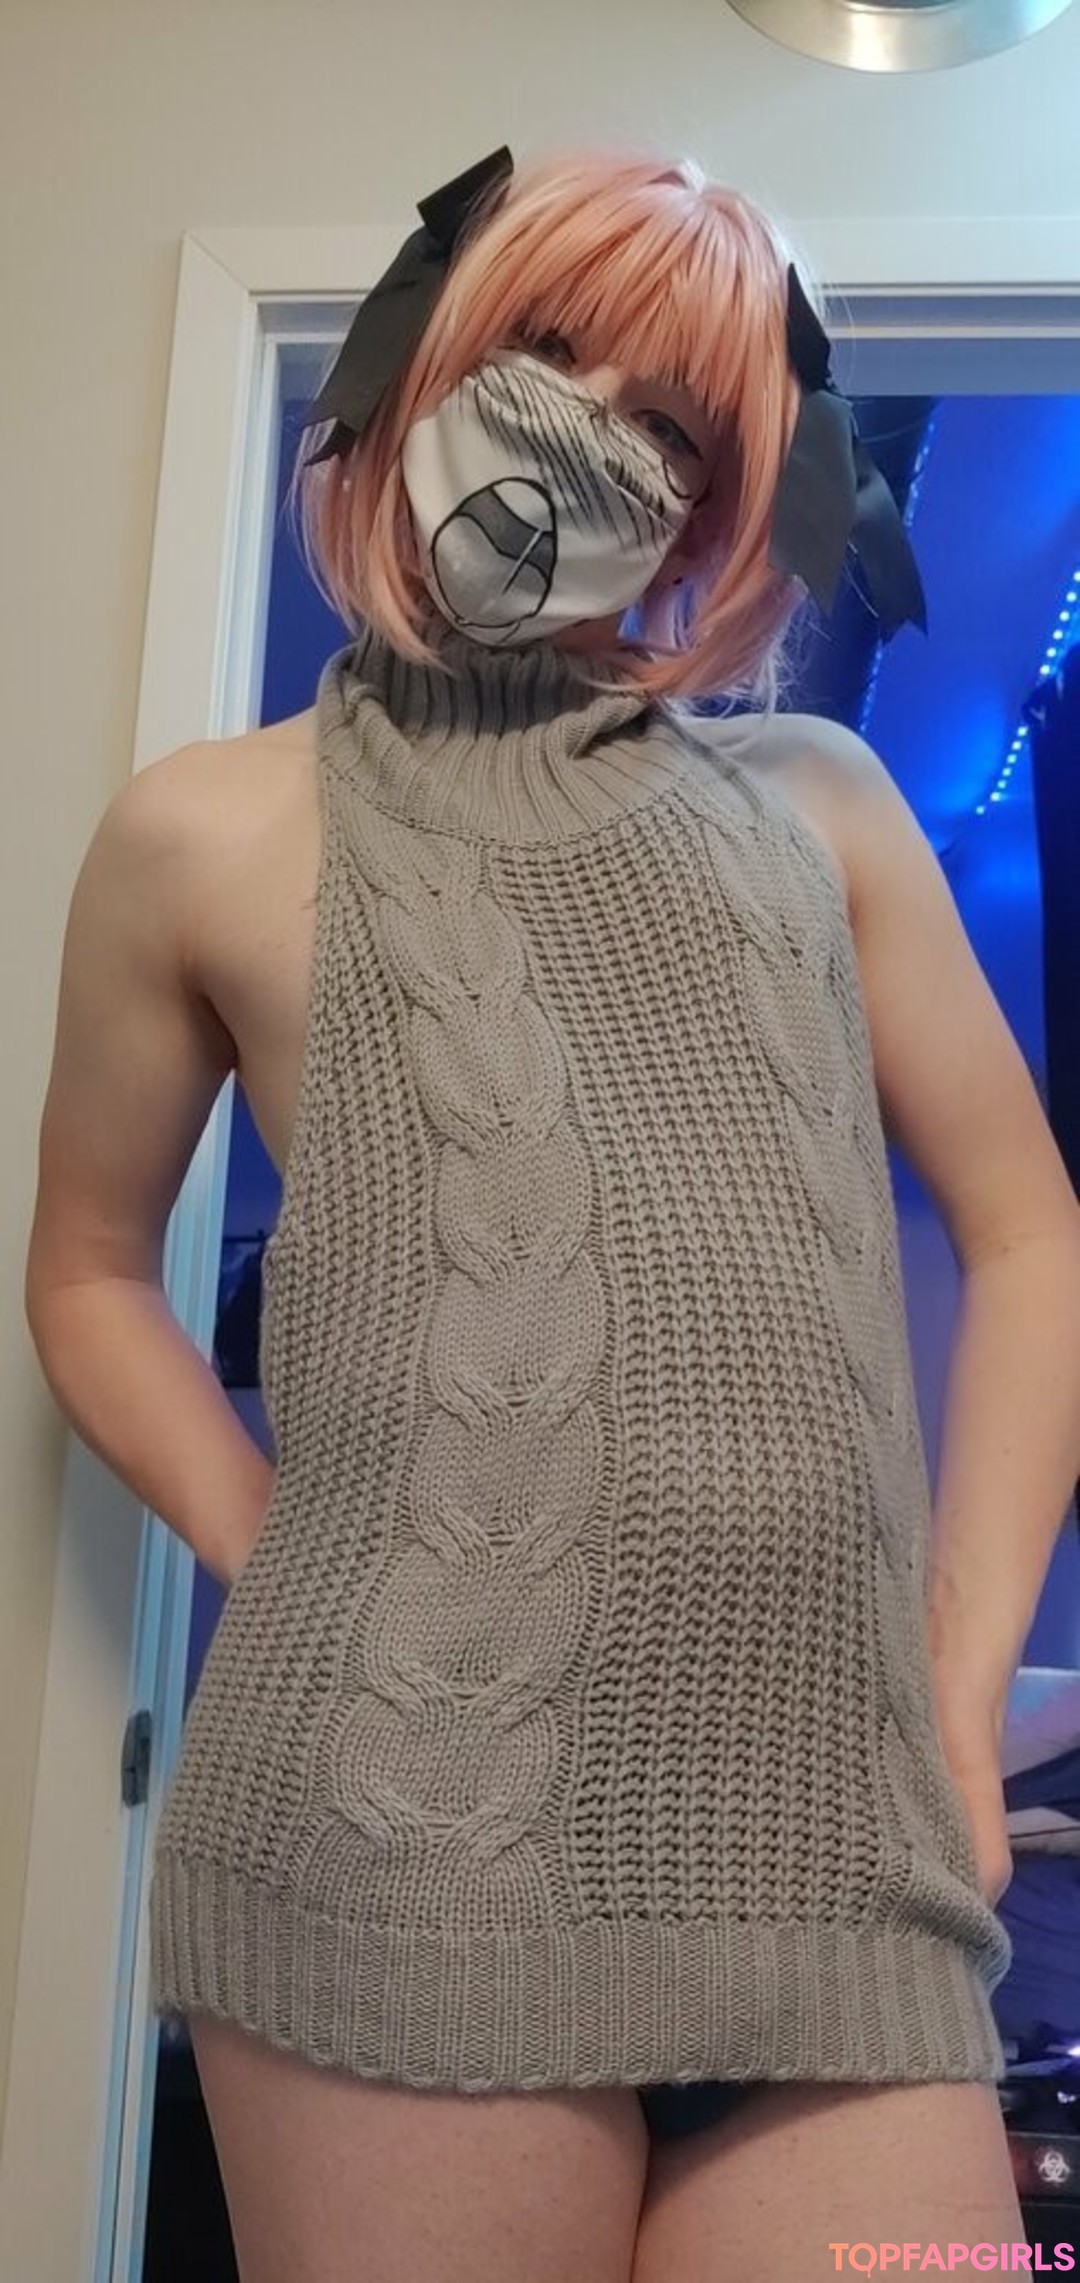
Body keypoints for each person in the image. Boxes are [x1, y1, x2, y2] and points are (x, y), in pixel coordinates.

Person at [26, 144, 1080, 2283]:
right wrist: (271, 1541)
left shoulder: (824, 807)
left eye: (671, 422)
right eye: (544, 349)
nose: (589, 429)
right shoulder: (199, 834)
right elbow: (88, 1273)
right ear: (419, 357)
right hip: (391, 1840)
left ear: (719, 508)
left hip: (835, 1844)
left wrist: (963, 1693)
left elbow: (1033, 1232)